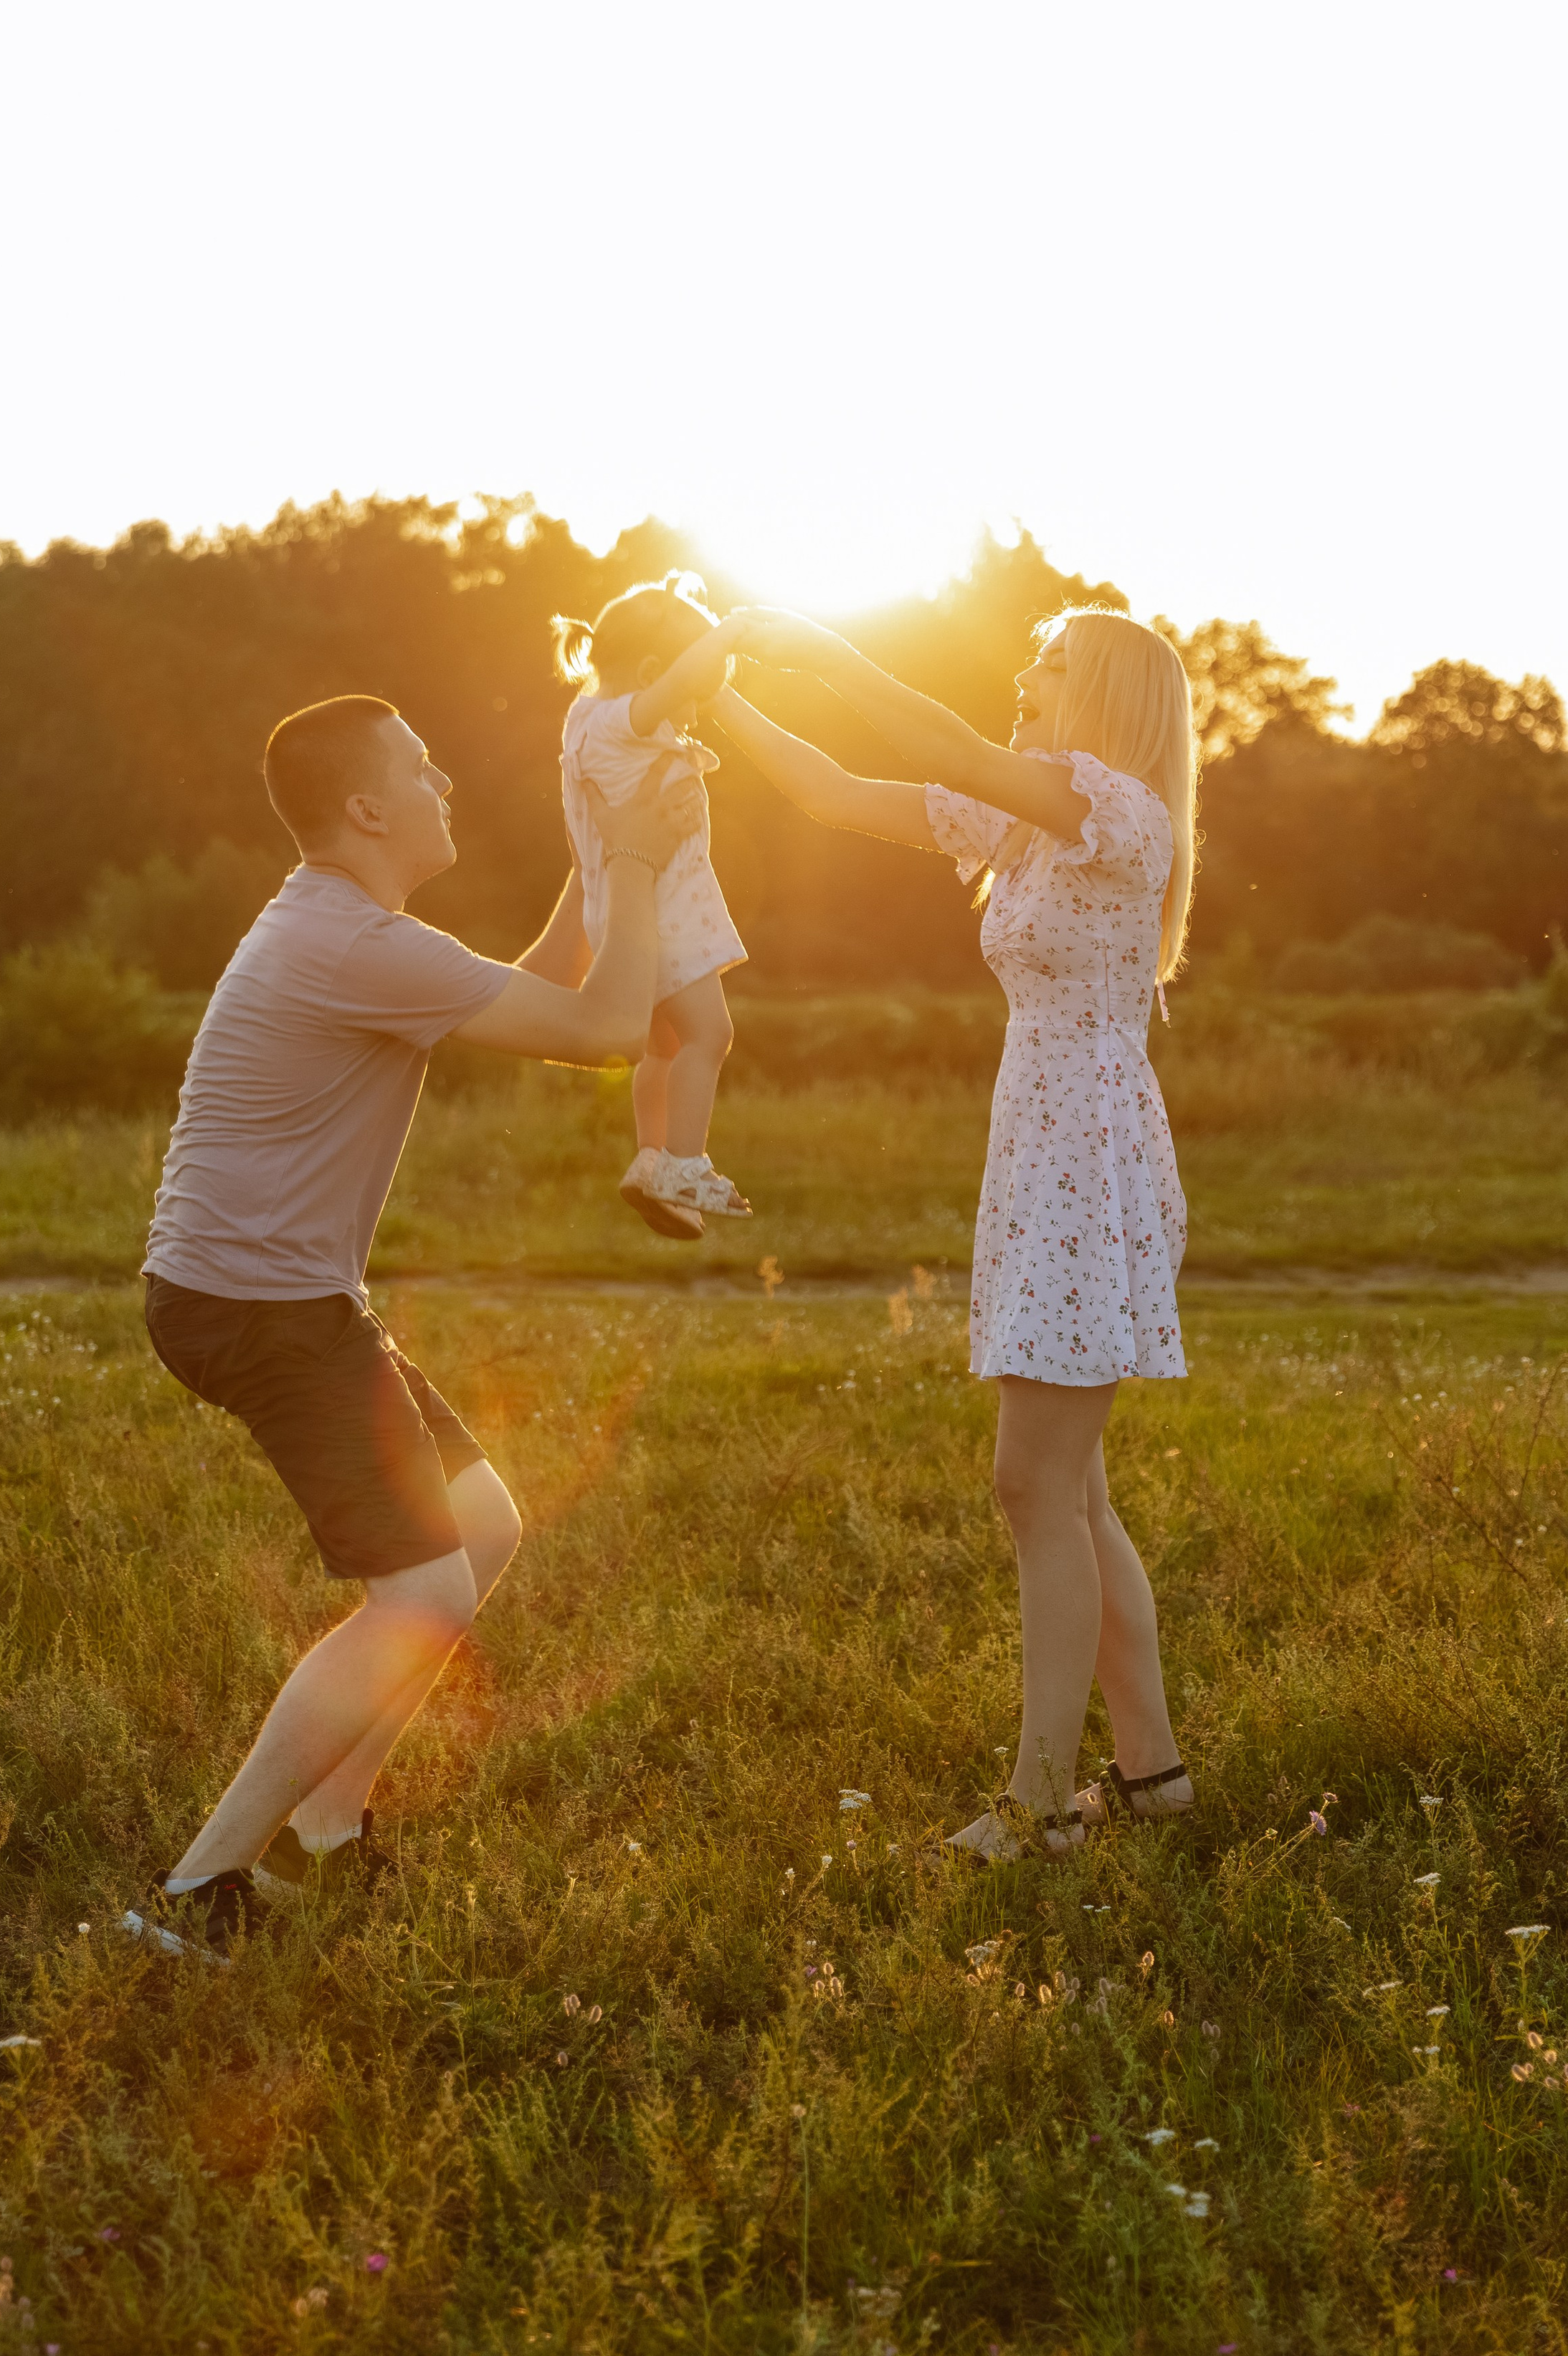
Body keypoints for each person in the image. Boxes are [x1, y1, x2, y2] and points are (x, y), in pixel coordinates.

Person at [125, 690, 703, 1957]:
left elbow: (540, 986)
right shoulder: (350, 944)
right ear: (366, 807)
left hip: (287, 1296)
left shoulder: (357, 929)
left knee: (480, 1526)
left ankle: (323, 1832)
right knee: (421, 1592)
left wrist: (608, 851)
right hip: (256, 1307)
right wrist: (651, 859)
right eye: (423, 767)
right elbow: (607, 1031)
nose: (447, 781)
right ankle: (195, 1896)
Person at [712, 606, 1199, 1860]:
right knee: (1076, 1496)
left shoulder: (1116, 812)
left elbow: (937, 734)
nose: (1023, 678)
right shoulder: (1031, 823)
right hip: (1043, 1158)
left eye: (1049, 664)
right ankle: (1153, 1783)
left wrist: (824, 651)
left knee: (1033, 1484)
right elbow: (831, 794)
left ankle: (1041, 1808)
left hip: (1087, 1167)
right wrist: (706, 695)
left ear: (1104, 697)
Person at [552, 574, 758, 1237]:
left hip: (623, 910)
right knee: (710, 1035)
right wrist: (729, 630)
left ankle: (650, 1160)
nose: (694, 710)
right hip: (664, 914)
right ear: (650, 675)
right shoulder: (625, 720)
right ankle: (685, 1161)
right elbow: (667, 690)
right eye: (692, 694)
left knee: (663, 1046)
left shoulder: (585, 719)